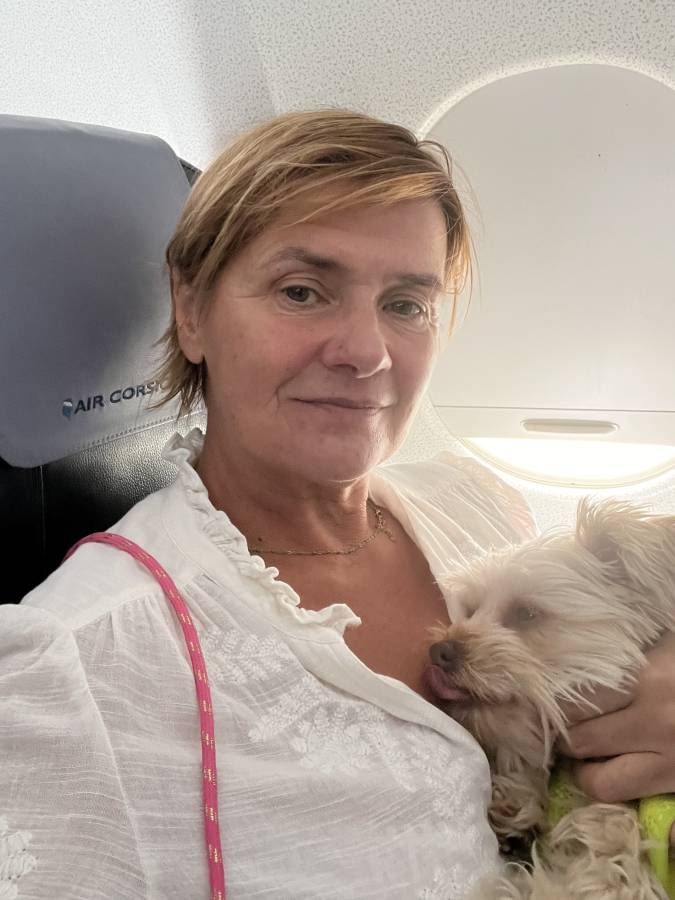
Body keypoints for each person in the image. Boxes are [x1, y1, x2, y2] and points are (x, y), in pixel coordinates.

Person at [1, 109, 673, 900]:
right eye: (302, 291)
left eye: (405, 304)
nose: (366, 352)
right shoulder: (72, 669)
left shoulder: (476, 503)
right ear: (191, 310)